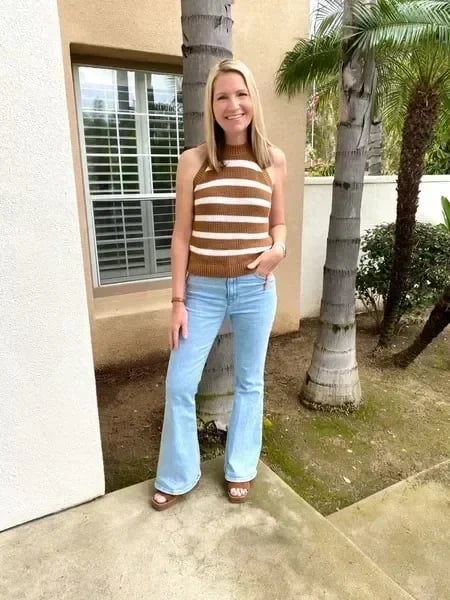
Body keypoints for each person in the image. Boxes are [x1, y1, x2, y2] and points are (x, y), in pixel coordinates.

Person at [151, 58, 287, 511]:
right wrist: (177, 300)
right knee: (179, 384)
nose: (233, 105)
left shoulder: (273, 160)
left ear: (253, 100)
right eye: (222, 96)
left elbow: (279, 223)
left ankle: (240, 467)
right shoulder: (194, 161)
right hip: (202, 292)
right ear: (211, 105)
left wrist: (279, 249)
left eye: (241, 94)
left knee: (250, 382)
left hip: (255, 289)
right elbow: (181, 235)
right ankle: (179, 474)